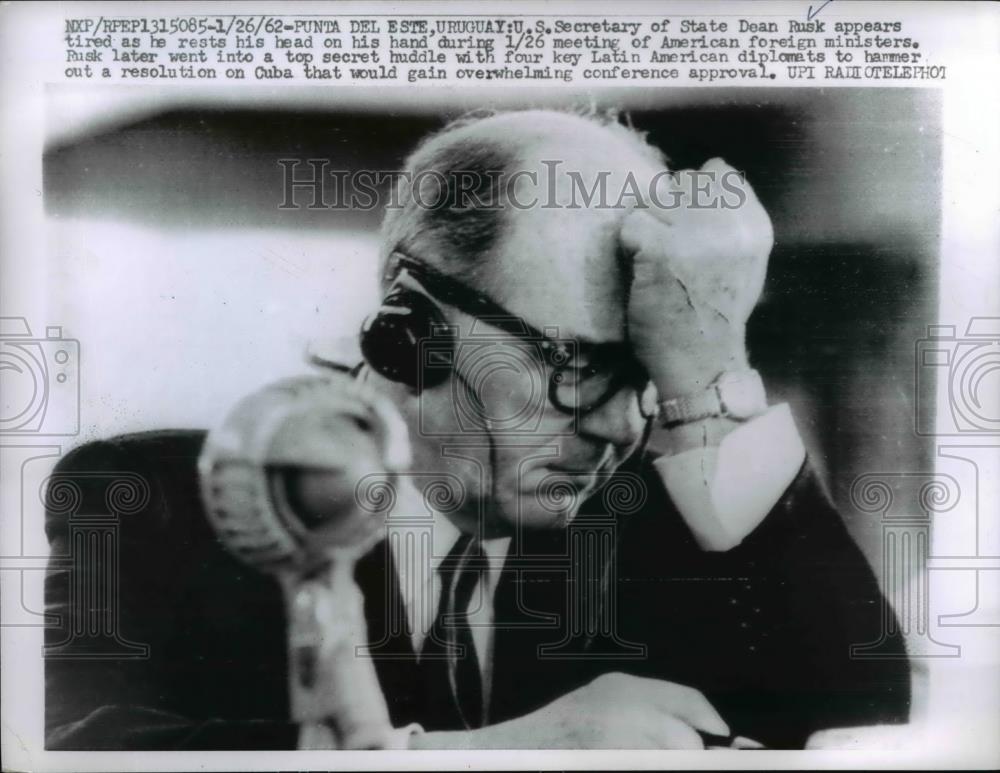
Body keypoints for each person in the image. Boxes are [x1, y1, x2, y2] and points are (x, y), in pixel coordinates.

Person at [44, 108, 910, 750]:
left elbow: (859, 721)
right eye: (577, 364)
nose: (620, 424)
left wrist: (709, 364)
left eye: (649, 378)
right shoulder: (160, 500)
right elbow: (83, 748)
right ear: (408, 335)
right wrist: (505, 754)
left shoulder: (668, 524)